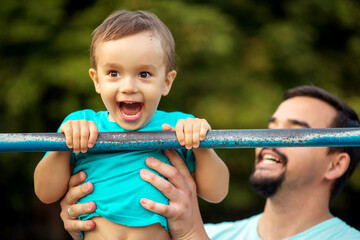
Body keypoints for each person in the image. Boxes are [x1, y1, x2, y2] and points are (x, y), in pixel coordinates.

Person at [61, 85, 360, 239]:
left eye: (294, 132)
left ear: (335, 164)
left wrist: (191, 234)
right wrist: (98, 221)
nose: (268, 139)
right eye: (271, 127)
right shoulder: (215, 235)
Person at [34, 10, 229, 240]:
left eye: (144, 74)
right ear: (96, 80)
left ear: (166, 82)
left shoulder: (177, 126)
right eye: (114, 73)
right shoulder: (82, 125)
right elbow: (45, 193)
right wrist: (63, 148)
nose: (128, 86)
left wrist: (203, 145)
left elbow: (217, 192)